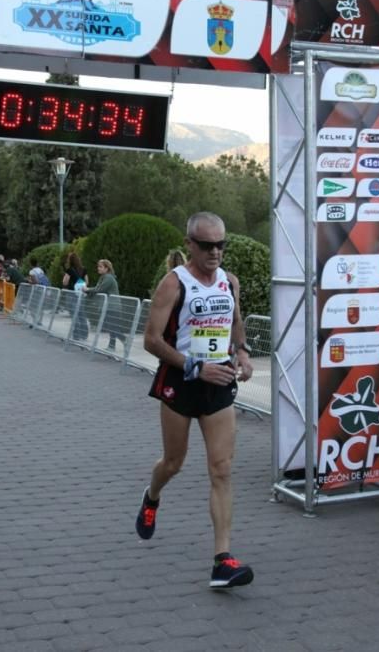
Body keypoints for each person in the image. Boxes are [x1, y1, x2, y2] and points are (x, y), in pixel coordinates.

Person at [138, 212, 255, 589]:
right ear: (190, 244)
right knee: (174, 462)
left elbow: (235, 321)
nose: (215, 252)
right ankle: (152, 495)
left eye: (222, 244)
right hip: (180, 380)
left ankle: (222, 560)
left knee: (221, 469)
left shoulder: (229, 282)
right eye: (207, 245)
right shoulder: (173, 284)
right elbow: (151, 340)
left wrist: (241, 352)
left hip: (218, 381)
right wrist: (194, 366)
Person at [81, 259, 124, 350]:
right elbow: (98, 288)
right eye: (98, 266)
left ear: (106, 268)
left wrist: (87, 290)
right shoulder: (104, 277)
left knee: (111, 326)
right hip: (109, 306)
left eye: (100, 267)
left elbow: (99, 289)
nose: (98, 268)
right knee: (111, 326)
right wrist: (88, 292)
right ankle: (113, 345)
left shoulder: (108, 278)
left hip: (112, 306)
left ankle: (123, 341)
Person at [62, 252, 89, 339]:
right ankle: (84, 334)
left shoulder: (69, 270)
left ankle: (76, 334)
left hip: (72, 294)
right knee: (82, 314)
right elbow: (87, 282)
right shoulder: (83, 269)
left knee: (74, 315)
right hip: (81, 294)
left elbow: (65, 282)